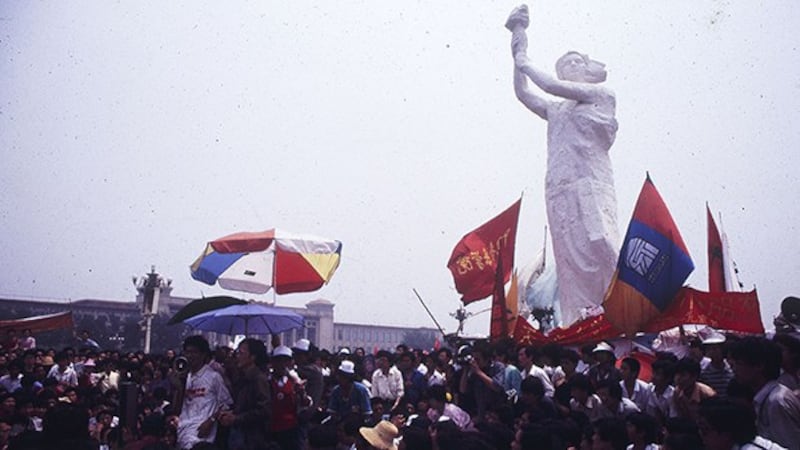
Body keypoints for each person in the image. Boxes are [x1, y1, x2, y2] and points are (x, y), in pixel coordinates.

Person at [507, 4, 620, 325]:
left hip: (591, 183)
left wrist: (525, 61)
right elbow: (523, 93)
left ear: (586, 68)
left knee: (601, 243)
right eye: (563, 64)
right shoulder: (556, 110)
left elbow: (548, 86)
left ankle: (617, 314)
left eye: (574, 61)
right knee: (569, 258)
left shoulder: (602, 94)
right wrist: (518, 39)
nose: (568, 67)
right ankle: (577, 321)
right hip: (559, 186)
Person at [729, 336, 800, 450]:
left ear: (759, 365)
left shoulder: (776, 402)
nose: (734, 369)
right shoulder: (767, 398)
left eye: (739, 363)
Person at [175, 335, 232, 450]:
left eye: (194, 352)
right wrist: (178, 385)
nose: (190, 356)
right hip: (182, 432)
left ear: (203, 355)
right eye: (187, 352)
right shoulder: (185, 377)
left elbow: (227, 404)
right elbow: (176, 408)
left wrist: (211, 421)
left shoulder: (213, 377)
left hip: (202, 436)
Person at [218, 337, 271, 450]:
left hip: (251, 437)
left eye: (241, 353)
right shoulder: (242, 377)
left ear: (252, 357)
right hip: (239, 433)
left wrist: (236, 418)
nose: (237, 356)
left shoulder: (258, 379)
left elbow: (264, 410)